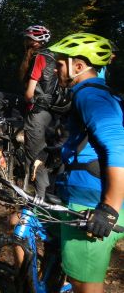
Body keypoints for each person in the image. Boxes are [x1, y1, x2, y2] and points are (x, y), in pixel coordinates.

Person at [49, 33, 124, 293]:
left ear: (77, 67)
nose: (56, 69)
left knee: (84, 283)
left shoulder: (90, 96)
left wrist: (109, 209)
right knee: (19, 220)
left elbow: (117, 148)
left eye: (60, 64)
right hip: (78, 192)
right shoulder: (91, 93)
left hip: (91, 201)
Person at [19, 25, 56, 198]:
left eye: (27, 39)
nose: (25, 41)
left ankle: (39, 202)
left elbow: (29, 92)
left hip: (37, 111)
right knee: (44, 153)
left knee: (36, 157)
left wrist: (27, 100)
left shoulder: (39, 57)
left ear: (34, 42)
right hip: (53, 112)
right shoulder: (55, 56)